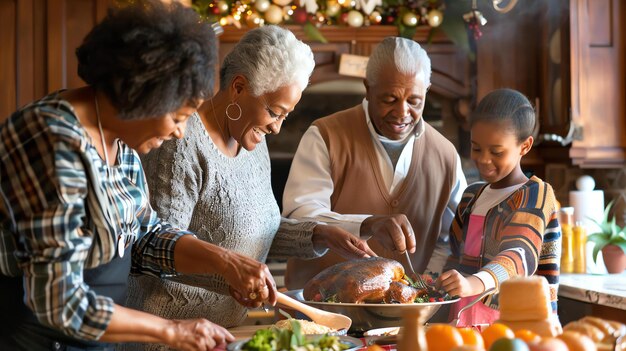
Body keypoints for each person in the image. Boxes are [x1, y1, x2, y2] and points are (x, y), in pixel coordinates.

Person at [0, 2, 271, 350]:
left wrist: (226, 263)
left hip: (96, 336)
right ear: (142, 95)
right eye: (178, 116)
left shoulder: (122, 138)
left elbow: (144, 236)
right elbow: (60, 302)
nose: (179, 132)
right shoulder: (49, 141)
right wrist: (173, 331)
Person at [124, 25, 376, 347]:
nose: (276, 127)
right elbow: (156, 250)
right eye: (274, 112)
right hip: (170, 336)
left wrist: (316, 234)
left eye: (286, 115)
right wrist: (232, 273)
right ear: (239, 87)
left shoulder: (250, 137)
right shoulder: (180, 145)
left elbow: (246, 227)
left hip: (225, 334)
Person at [281, 37, 467, 289]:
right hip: (317, 313)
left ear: (427, 90)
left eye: (414, 101)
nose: (402, 112)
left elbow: (454, 237)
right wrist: (367, 224)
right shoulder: (325, 135)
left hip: (405, 316)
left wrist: (428, 280)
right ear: (368, 88)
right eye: (389, 99)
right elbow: (300, 219)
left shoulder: (445, 154)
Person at [437, 88, 561, 326]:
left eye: (496, 151)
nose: (483, 159)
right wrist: (436, 281)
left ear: (525, 146)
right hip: (464, 323)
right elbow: (455, 256)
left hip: (519, 325)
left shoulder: (536, 194)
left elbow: (518, 256)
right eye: (476, 148)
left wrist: (472, 284)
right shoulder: (471, 196)